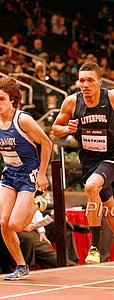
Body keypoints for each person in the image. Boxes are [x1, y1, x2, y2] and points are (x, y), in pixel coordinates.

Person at [52, 62, 114, 272]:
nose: (86, 84)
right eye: (82, 80)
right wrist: (66, 128)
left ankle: (94, 246)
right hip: (89, 160)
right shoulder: (72, 102)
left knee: (91, 187)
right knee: (110, 211)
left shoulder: (113, 97)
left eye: (90, 80)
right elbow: (55, 129)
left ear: (100, 82)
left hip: (111, 155)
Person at [0, 76, 52, 280]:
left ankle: (38, 203)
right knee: (3, 223)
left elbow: (46, 143)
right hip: (9, 173)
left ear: (13, 99)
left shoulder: (23, 120)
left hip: (28, 174)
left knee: (16, 225)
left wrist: (42, 173)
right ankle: (21, 266)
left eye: (2, 99)